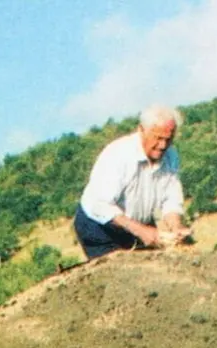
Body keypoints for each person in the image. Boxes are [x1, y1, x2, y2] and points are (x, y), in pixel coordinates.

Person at [74, 104, 192, 259]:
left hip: (136, 223)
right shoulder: (118, 154)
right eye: (158, 138)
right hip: (99, 226)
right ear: (141, 130)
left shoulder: (170, 156)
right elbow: (100, 205)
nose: (163, 145)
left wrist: (176, 227)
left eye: (168, 139)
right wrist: (142, 231)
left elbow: (171, 198)